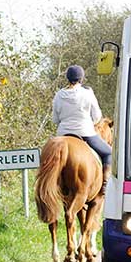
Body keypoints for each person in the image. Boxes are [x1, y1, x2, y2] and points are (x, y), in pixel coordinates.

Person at [52, 65, 112, 194]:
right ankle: (105, 186)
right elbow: (97, 116)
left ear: (67, 78)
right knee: (108, 153)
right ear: (81, 79)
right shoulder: (87, 93)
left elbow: (55, 119)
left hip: (62, 134)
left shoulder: (58, 95)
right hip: (85, 133)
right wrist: (91, 122)